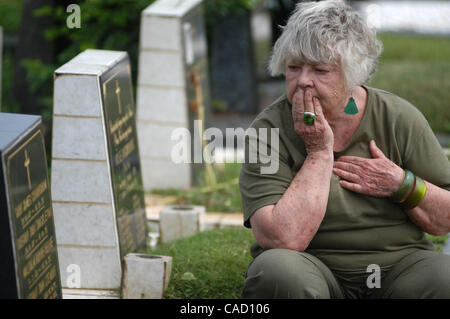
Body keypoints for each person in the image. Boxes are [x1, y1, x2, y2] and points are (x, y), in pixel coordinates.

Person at [239, 0, 450, 299]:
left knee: (444, 278)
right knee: (277, 272)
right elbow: (281, 238)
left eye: (320, 70)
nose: (303, 82)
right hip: (312, 268)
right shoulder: (267, 130)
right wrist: (318, 153)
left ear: (355, 75)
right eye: (293, 67)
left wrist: (402, 185)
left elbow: (444, 219)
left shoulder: (399, 118)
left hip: (399, 267)